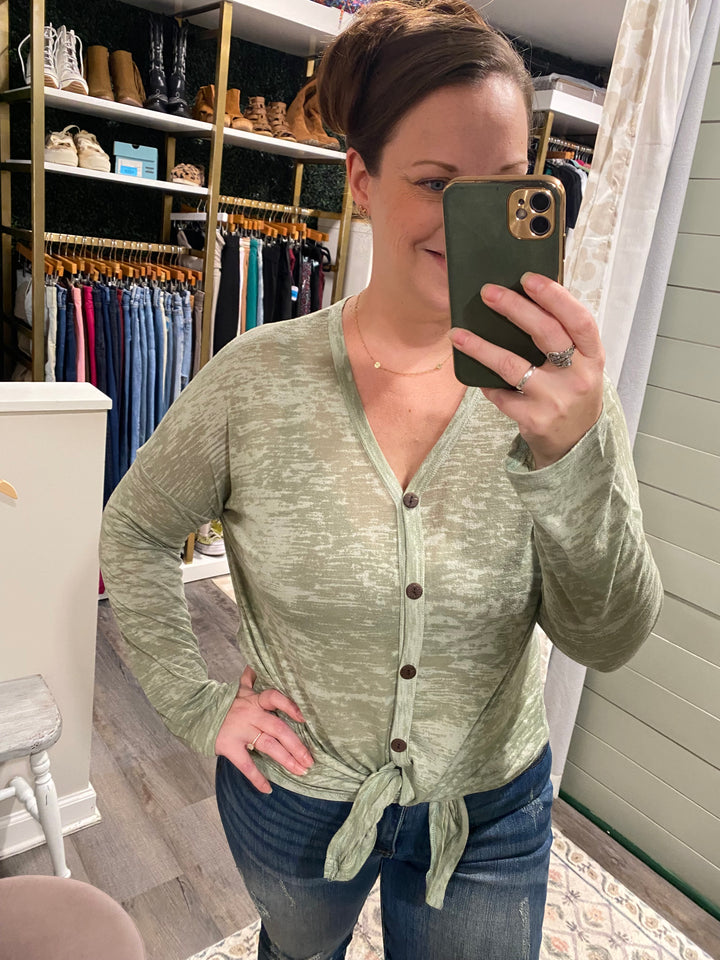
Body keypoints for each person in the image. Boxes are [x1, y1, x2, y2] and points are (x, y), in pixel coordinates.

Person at [99, 2, 663, 958]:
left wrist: (574, 463)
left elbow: (608, 637)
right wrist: (200, 703)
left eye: (500, 186)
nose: (466, 219)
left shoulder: (563, 397)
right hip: (296, 796)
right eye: (436, 183)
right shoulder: (256, 379)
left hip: (489, 814)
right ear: (361, 180)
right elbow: (138, 529)